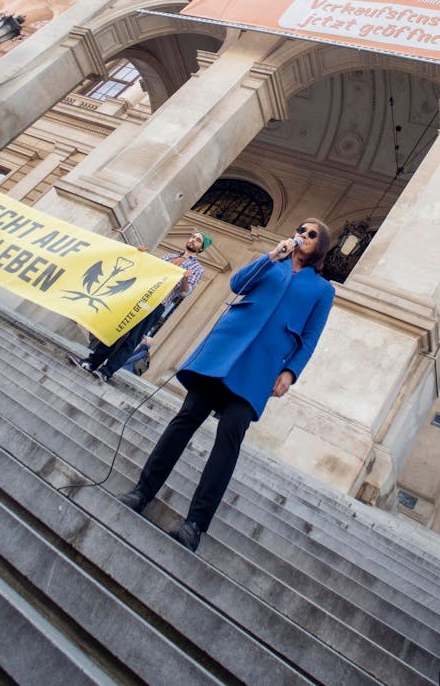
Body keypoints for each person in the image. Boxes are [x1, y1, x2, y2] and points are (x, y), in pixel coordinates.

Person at [118, 219, 336, 552]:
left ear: (320, 246)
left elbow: (310, 338)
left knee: (229, 438)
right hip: (222, 353)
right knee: (185, 419)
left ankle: (195, 525)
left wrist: (290, 372)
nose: (302, 236)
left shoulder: (322, 290)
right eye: (300, 230)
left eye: (311, 235)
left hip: (260, 368)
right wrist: (270, 257)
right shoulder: (272, 263)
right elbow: (237, 283)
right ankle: (142, 491)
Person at [81, 231, 210, 381]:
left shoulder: (197, 268)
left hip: (158, 304)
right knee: (116, 331)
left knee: (132, 339)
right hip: (140, 298)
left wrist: (185, 278)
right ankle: (92, 362)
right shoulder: (169, 257)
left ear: (201, 248)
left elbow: (184, 292)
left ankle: (106, 372)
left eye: (198, 240)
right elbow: (148, 272)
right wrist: (141, 256)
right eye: (192, 237)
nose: (193, 240)